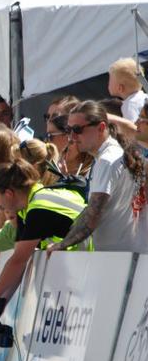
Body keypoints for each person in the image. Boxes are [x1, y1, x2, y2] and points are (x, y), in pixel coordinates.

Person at [0, 159, 88, 320]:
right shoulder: (30, 203)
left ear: (9, 194)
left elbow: (18, 261)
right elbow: (18, 264)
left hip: (87, 263)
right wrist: (0, 303)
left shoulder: (38, 209)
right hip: (80, 263)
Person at [49, 100, 148, 254]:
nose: (72, 137)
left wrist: (62, 245)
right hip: (128, 254)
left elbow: (92, 217)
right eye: (69, 130)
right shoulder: (111, 154)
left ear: (101, 127)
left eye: (78, 129)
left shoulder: (107, 160)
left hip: (121, 256)